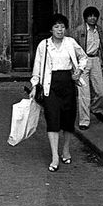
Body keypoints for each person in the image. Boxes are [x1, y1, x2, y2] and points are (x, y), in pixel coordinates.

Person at [29, 13, 87, 172]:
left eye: (62, 27)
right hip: (50, 86)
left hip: (68, 84)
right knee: (53, 119)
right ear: (51, 29)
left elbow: (84, 57)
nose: (60, 30)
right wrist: (34, 86)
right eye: (56, 27)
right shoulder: (44, 45)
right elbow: (37, 67)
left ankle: (66, 149)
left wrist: (79, 71)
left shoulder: (71, 43)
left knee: (68, 119)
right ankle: (55, 156)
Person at [74, 6, 103, 130]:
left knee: (101, 91)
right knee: (84, 93)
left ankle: (94, 108)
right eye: (90, 16)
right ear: (85, 18)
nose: (92, 18)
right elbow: (74, 48)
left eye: (94, 16)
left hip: (95, 60)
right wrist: (75, 66)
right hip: (83, 61)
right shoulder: (79, 30)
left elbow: (102, 46)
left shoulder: (99, 30)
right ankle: (84, 121)